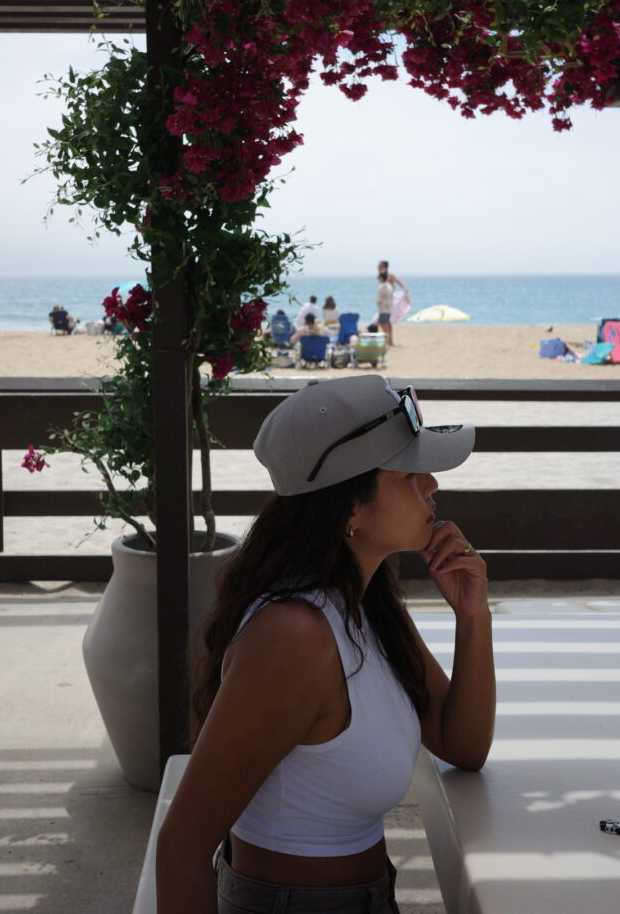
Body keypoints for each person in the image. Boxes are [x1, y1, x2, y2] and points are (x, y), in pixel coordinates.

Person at [156, 375, 495, 914]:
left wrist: (473, 617)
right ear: (349, 509)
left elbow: (464, 747)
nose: (432, 484)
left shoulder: (365, 600)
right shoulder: (293, 638)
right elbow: (180, 849)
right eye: (408, 474)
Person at [376, 270, 395, 346]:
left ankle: (387, 340)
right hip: (389, 308)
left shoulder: (382, 287)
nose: (378, 279)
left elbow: (380, 298)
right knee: (387, 324)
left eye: (379, 278)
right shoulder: (389, 286)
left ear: (381, 278)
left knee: (383, 324)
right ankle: (390, 341)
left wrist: (377, 303)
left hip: (383, 309)